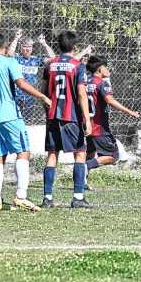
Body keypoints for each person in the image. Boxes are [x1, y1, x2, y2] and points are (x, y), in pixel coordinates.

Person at [0, 32, 51, 212]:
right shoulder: (9, 62)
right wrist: (42, 97)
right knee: (23, 152)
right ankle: (21, 196)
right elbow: (21, 84)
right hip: (10, 115)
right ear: (5, 46)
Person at [40, 31, 92, 209]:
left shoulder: (50, 64)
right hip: (71, 117)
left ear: (58, 46)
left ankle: (47, 198)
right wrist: (87, 119)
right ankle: (78, 197)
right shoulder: (78, 66)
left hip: (53, 115)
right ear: (75, 47)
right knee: (80, 153)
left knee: (52, 155)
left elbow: (43, 91)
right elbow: (81, 94)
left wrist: (48, 111)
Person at [83, 56, 140, 190]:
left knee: (90, 153)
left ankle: (82, 181)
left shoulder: (85, 83)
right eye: (105, 67)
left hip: (87, 125)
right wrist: (130, 112)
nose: (108, 69)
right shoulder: (101, 83)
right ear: (99, 69)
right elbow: (110, 100)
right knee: (114, 155)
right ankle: (84, 167)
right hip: (99, 127)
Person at [7, 30, 54, 118]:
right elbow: (9, 54)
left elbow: (52, 58)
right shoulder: (17, 58)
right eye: (24, 46)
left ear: (32, 48)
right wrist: (16, 38)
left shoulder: (36, 59)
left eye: (29, 47)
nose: (27, 49)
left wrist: (44, 43)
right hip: (16, 95)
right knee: (14, 118)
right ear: (21, 47)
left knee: (28, 120)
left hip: (30, 96)